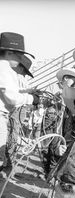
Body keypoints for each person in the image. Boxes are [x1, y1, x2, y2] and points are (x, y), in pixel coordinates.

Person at [0, 32, 38, 178]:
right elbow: (11, 98)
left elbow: (9, 91)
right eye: (19, 55)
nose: (20, 59)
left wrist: (28, 92)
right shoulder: (4, 67)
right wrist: (31, 99)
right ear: (9, 52)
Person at [41, 67, 75, 178]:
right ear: (65, 79)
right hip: (54, 122)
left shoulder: (74, 95)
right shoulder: (56, 94)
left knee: (59, 147)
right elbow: (45, 103)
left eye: (74, 80)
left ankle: (52, 172)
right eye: (70, 78)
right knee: (49, 146)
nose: (72, 82)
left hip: (66, 124)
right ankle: (48, 171)